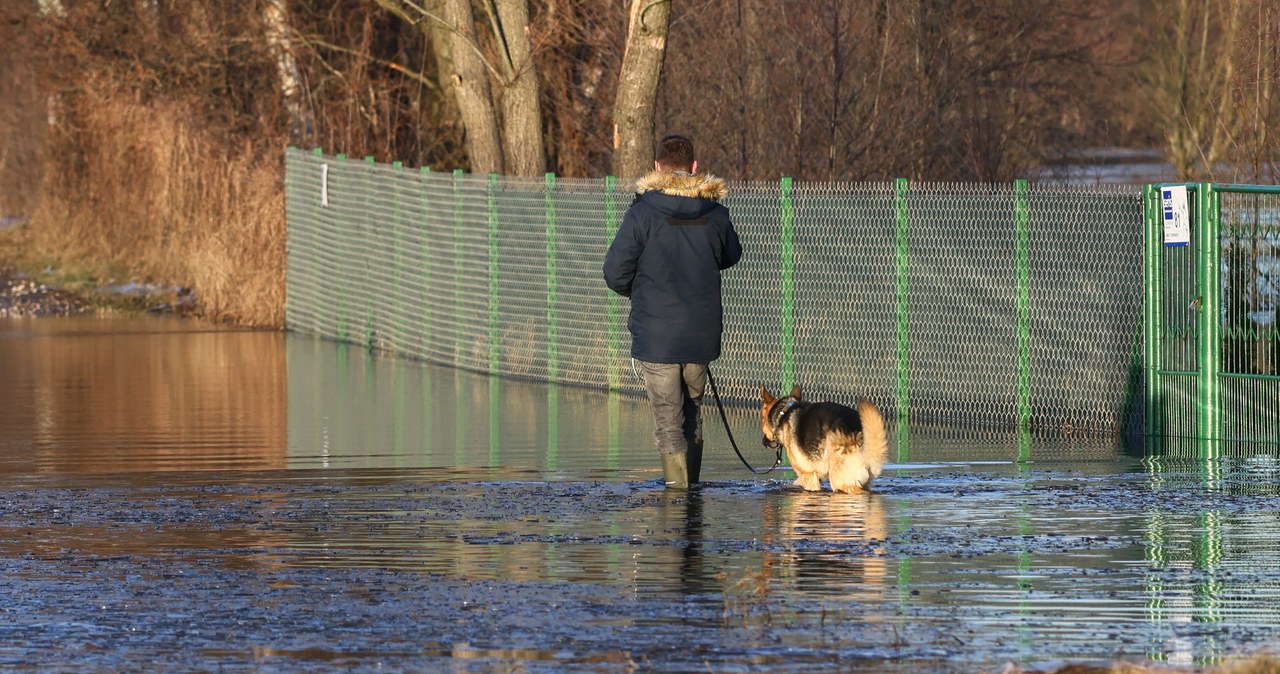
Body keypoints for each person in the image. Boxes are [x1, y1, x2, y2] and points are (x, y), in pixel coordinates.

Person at [603, 134, 743, 489]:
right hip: (700, 335)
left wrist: (637, 291)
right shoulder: (715, 214)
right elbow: (731, 256)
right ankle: (691, 499)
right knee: (692, 415)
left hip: (657, 336)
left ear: (657, 168)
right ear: (694, 168)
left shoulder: (642, 214)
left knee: (669, 419)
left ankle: (677, 501)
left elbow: (614, 273)